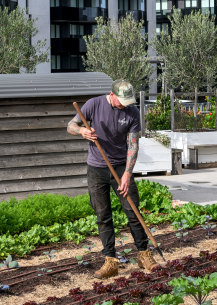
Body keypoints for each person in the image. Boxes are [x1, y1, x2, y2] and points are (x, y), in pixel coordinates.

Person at [67, 79, 160, 279]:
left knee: (133, 210)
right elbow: (71, 125)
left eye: (127, 101)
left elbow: (133, 145)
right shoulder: (93, 104)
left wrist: (127, 173)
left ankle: (144, 255)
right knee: (103, 215)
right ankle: (111, 261)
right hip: (96, 168)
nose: (124, 105)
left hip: (120, 167)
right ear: (111, 95)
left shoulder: (132, 112)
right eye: (121, 101)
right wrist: (82, 131)